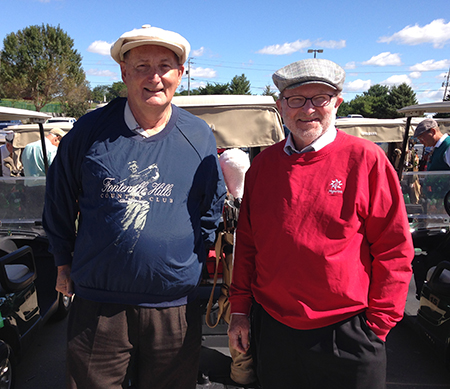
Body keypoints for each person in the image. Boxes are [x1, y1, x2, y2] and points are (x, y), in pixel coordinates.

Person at [42, 25, 226, 389]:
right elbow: (58, 197)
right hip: (98, 305)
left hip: (172, 305)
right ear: (124, 73)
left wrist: (186, 260)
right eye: (142, 66)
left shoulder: (198, 134)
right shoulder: (89, 130)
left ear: (180, 74)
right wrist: (62, 260)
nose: (154, 77)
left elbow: (211, 206)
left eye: (165, 66)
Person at [228, 58, 414, 389]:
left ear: (337, 103)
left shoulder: (366, 159)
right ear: (280, 106)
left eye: (320, 99)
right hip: (274, 330)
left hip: (348, 332)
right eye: (296, 99)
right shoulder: (262, 166)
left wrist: (378, 325)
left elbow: (394, 249)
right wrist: (240, 310)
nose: (308, 109)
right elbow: (248, 245)